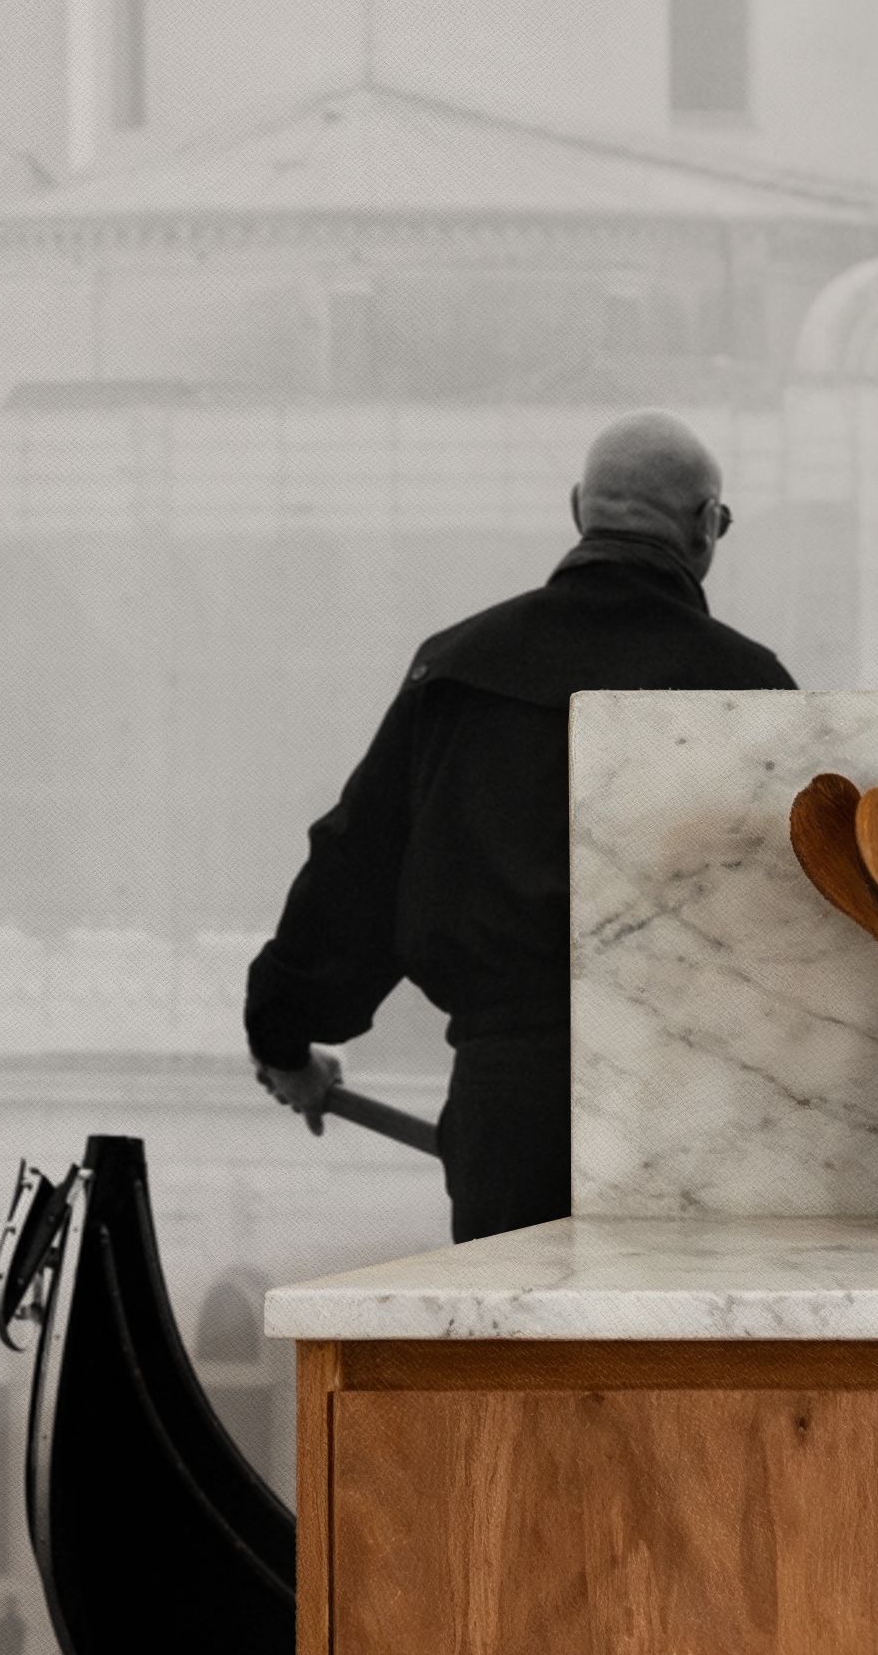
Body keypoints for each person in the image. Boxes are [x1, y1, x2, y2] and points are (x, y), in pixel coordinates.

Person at [247, 415, 795, 1243]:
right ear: (706, 525)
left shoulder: (458, 669)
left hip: (511, 1106)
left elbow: (356, 867)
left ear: (579, 509)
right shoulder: (749, 686)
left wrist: (285, 1038)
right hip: (690, 1101)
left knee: (517, 1362)